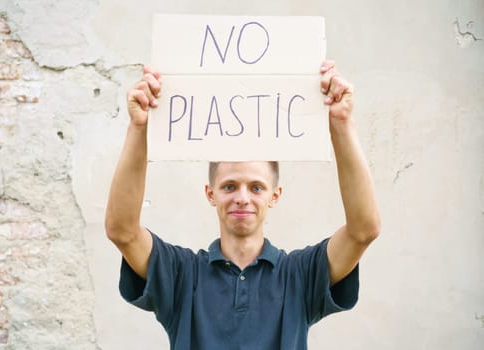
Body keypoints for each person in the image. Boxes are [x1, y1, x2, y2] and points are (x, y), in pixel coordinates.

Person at [105, 60, 380, 350]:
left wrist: (341, 124)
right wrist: (139, 127)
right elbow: (122, 231)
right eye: (229, 186)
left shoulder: (299, 274)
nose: (242, 197)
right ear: (210, 194)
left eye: (257, 187)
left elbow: (364, 230)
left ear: (275, 195)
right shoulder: (181, 274)